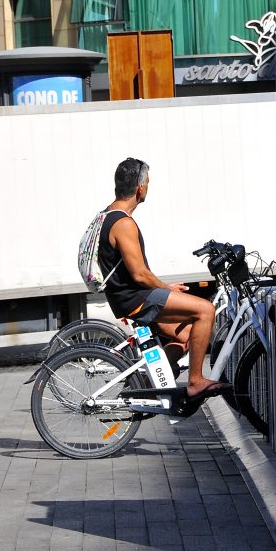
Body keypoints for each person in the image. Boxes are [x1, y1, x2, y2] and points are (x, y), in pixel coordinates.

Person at [98, 157, 226, 400]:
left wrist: (166, 291)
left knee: (188, 335)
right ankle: (196, 382)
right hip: (134, 298)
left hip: (128, 296)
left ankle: (146, 381)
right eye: (148, 182)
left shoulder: (107, 215)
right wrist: (168, 289)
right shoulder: (123, 223)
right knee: (206, 311)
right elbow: (140, 274)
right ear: (140, 186)